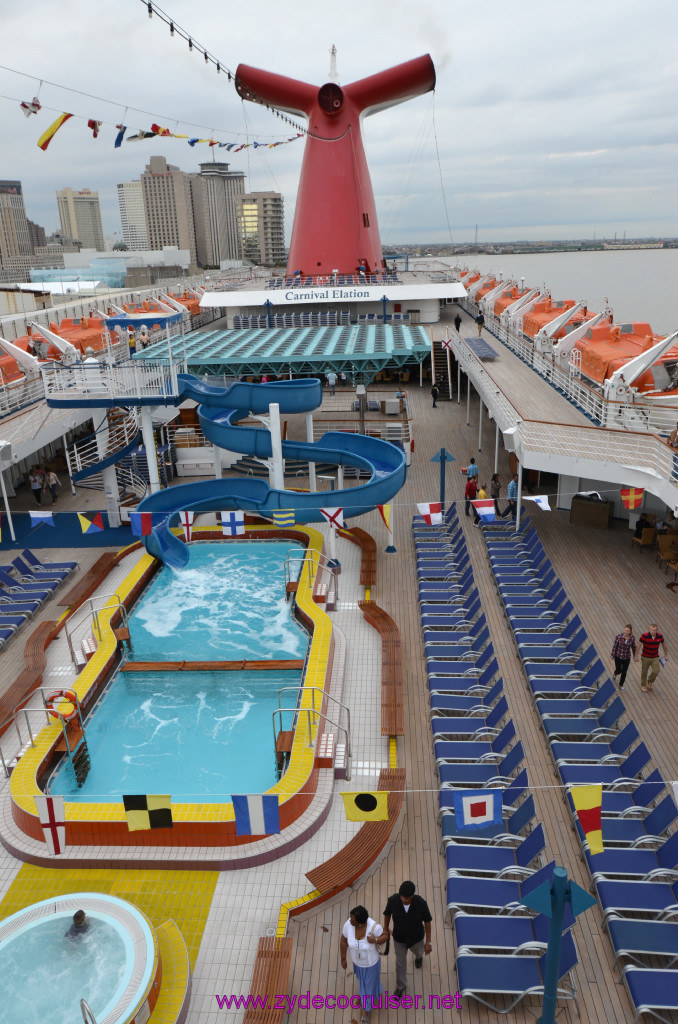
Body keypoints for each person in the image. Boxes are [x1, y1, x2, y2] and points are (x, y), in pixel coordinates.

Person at [382, 881, 432, 1000]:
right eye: (402, 897)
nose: (403, 899)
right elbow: (387, 914)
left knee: (419, 952)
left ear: (412, 896)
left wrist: (428, 942)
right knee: (400, 963)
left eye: (406, 897)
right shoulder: (393, 901)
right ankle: (401, 986)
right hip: (399, 938)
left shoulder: (421, 904)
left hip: (417, 938)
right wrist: (385, 929)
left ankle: (419, 958)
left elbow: (427, 922)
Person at [340, 905, 384, 1024]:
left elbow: (385, 936)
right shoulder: (348, 925)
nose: (350, 920)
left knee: (368, 986)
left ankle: (365, 1010)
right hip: (357, 964)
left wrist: (374, 940)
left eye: (353, 919)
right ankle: (370, 992)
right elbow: (343, 941)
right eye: (351, 917)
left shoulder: (373, 926)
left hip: (371, 964)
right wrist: (343, 959)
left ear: (360, 922)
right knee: (362, 982)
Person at [634, 623, 668, 692]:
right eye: (651, 630)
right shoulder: (644, 636)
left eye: (654, 630)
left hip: (655, 657)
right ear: (649, 629)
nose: (652, 631)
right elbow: (638, 645)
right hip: (645, 657)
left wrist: (666, 655)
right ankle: (643, 685)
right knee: (644, 672)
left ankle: (650, 681)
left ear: (656, 630)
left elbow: (664, 645)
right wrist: (636, 656)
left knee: (656, 671)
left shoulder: (660, 636)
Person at [610, 624, 636, 689]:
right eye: (625, 630)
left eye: (628, 631)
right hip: (618, 656)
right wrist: (612, 655)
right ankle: (615, 673)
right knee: (619, 670)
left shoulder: (632, 638)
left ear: (630, 631)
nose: (626, 632)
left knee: (624, 672)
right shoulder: (619, 636)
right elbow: (615, 646)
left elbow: (633, 647)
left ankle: (621, 684)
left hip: (626, 657)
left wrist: (635, 655)